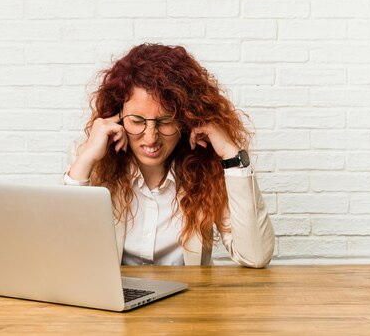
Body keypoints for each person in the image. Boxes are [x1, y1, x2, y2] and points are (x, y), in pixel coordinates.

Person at [63, 43, 274, 268]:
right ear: (118, 116)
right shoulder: (91, 158)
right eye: (136, 121)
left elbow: (255, 256)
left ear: (185, 120)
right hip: (116, 298)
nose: (151, 138)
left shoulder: (207, 166)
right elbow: (65, 254)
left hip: (188, 301)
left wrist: (231, 155)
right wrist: (86, 159)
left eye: (165, 121)